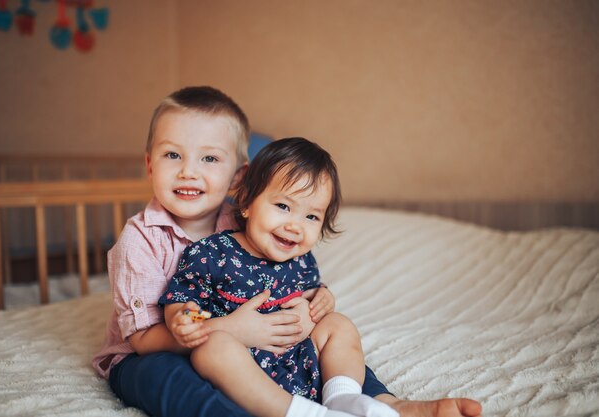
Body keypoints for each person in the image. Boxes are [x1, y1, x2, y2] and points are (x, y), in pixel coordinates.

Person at [91, 86, 399, 417]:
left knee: (320, 347)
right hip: (150, 353)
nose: (188, 171)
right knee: (168, 377)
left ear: (239, 176)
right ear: (150, 165)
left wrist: (312, 307)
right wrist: (228, 329)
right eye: (172, 155)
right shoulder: (139, 239)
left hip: (243, 342)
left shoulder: (252, 223)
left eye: (208, 158)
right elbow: (143, 341)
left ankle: (377, 405)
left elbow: (286, 279)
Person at [160, 138, 483, 417]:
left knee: (339, 324)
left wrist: (324, 296)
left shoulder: (300, 259)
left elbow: (312, 291)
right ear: (245, 202)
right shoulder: (212, 253)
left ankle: (341, 398)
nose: (295, 225)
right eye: (283, 206)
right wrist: (183, 318)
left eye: (311, 216)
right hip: (242, 360)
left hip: (297, 358)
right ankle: (296, 412)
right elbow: (182, 298)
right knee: (211, 349)